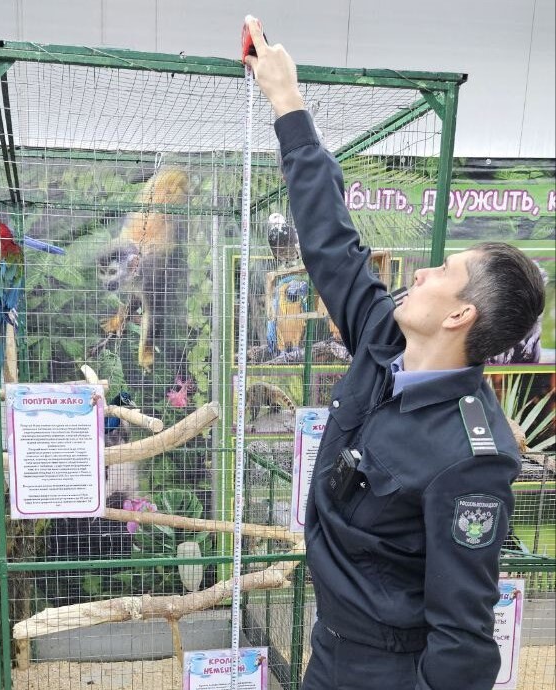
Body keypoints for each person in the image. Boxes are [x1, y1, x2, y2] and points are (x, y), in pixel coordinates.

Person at [244, 18, 546, 690]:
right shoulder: (383, 342)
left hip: (385, 671)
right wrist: (287, 103)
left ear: (460, 315)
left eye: (444, 272)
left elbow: (464, 629)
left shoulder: (471, 456)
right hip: (331, 647)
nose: (423, 272)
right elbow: (330, 241)